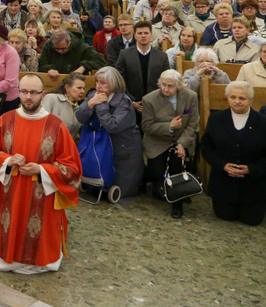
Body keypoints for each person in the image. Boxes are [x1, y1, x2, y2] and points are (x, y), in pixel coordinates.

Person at [0, 74, 82, 274]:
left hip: (42, 195)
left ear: (43, 95)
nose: (28, 97)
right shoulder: (5, 121)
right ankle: (8, 255)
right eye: (24, 91)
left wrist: (42, 169)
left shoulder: (56, 126)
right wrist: (7, 160)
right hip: (11, 193)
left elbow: (72, 167)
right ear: (18, 92)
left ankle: (40, 258)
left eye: (34, 92)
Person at [201, 81, 266, 226]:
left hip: (253, 184)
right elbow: (206, 147)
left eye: (242, 98)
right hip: (224, 182)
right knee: (225, 216)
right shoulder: (215, 119)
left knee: (252, 220)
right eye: (233, 97)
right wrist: (222, 165)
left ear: (251, 100)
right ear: (228, 98)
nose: (237, 101)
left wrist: (251, 169)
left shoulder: (263, 122)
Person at [75, 67, 144, 200]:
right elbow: (80, 118)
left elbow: (112, 125)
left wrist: (101, 105)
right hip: (103, 145)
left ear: (113, 84)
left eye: (103, 83)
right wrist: (90, 103)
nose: (98, 86)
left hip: (124, 148)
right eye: (97, 82)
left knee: (115, 191)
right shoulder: (94, 94)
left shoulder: (123, 102)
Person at [142, 70, 199, 219]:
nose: (166, 89)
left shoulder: (191, 96)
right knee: (156, 172)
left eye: (170, 86)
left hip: (181, 139)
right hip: (157, 142)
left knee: (177, 163)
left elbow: (193, 124)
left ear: (179, 86)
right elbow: (147, 126)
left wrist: (182, 144)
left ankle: (177, 203)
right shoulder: (149, 99)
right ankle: (152, 183)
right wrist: (169, 126)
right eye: (163, 85)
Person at [114, 20, 170, 124]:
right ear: (134, 35)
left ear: (151, 35)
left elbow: (166, 81)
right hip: (131, 106)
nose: (143, 36)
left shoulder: (162, 56)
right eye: (139, 33)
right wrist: (132, 102)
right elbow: (119, 81)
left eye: (146, 33)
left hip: (155, 105)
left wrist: (154, 101)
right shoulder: (124, 55)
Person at [38, 29, 106, 81]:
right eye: (57, 49)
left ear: (69, 41)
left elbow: (100, 61)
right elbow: (42, 62)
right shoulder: (48, 46)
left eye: (63, 48)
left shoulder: (82, 47)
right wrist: (49, 69)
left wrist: (83, 67)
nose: (60, 51)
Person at [41, 72, 87, 138]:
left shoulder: (79, 109)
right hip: (47, 142)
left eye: (83, 88)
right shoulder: (52, 99)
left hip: (68, 144)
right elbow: (41, 123)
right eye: (79, 88)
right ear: (67, 88)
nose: (83, 91)